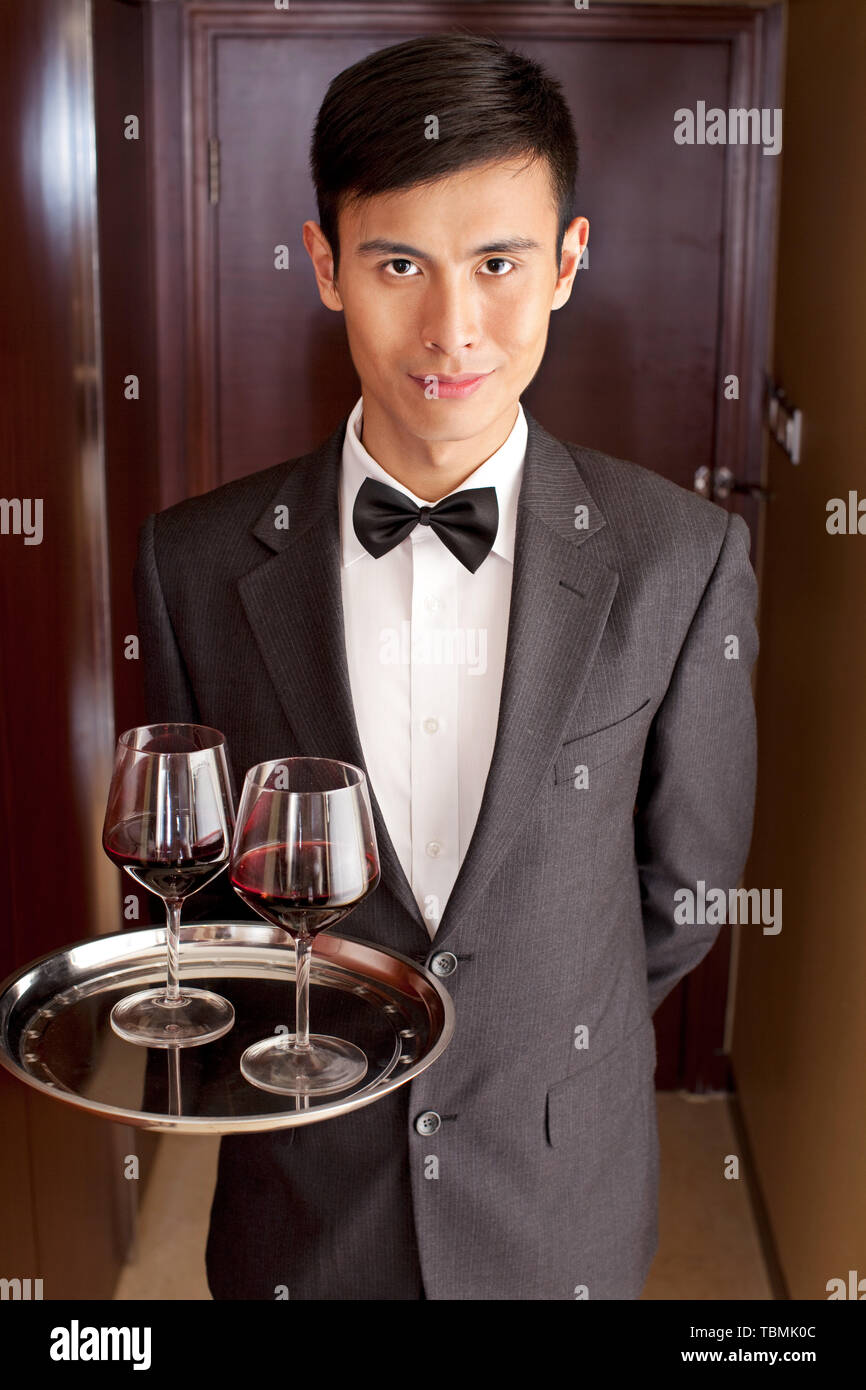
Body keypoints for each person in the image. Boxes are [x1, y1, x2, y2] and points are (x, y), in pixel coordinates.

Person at [134, 33, 758, 1300]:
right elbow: (192, 896)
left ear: (568, 264)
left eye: (496, 264)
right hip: (300, 1201)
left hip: (553, 1193)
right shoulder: (192, 559)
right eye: (397, 264)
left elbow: (684, 886)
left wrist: (532, 1025)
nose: (449, 329)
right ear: (325, 267)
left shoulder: (681, 558)